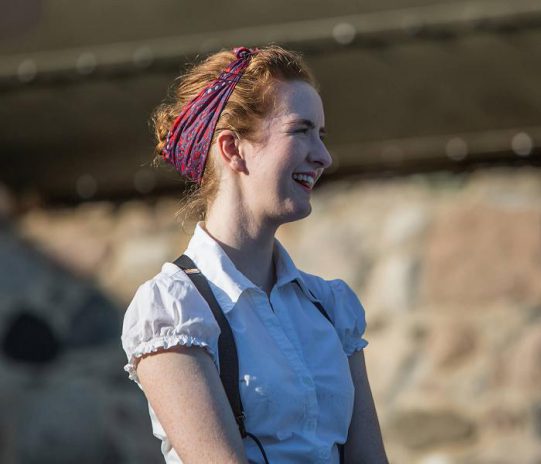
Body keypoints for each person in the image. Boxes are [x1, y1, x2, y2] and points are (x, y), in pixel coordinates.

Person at [120, 45, 388, 464]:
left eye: (322, 134)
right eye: (301, 131)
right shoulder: (175, 309)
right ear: (232, 149)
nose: (324, 156)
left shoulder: (331, 308)